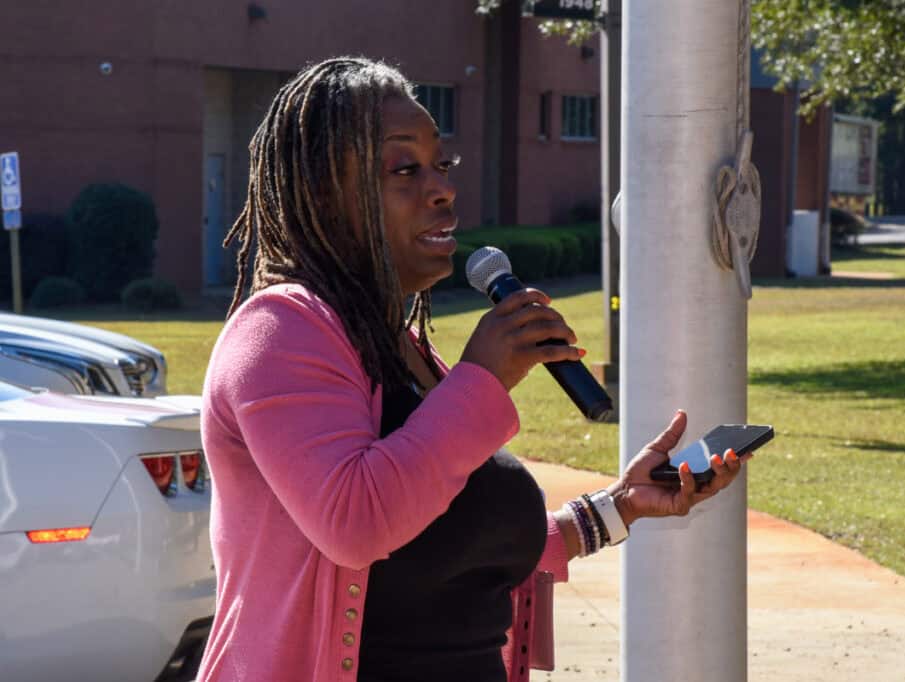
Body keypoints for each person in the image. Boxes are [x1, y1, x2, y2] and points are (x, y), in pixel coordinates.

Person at [197, 57, 748, 682]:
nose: (442, 189)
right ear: (326, 194)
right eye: (405, 169)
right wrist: (482, 378)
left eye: (442, 165)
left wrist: (621, 505)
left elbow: (453, 549)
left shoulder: (397, 350)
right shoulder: (278, 334)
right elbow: (356, 524)